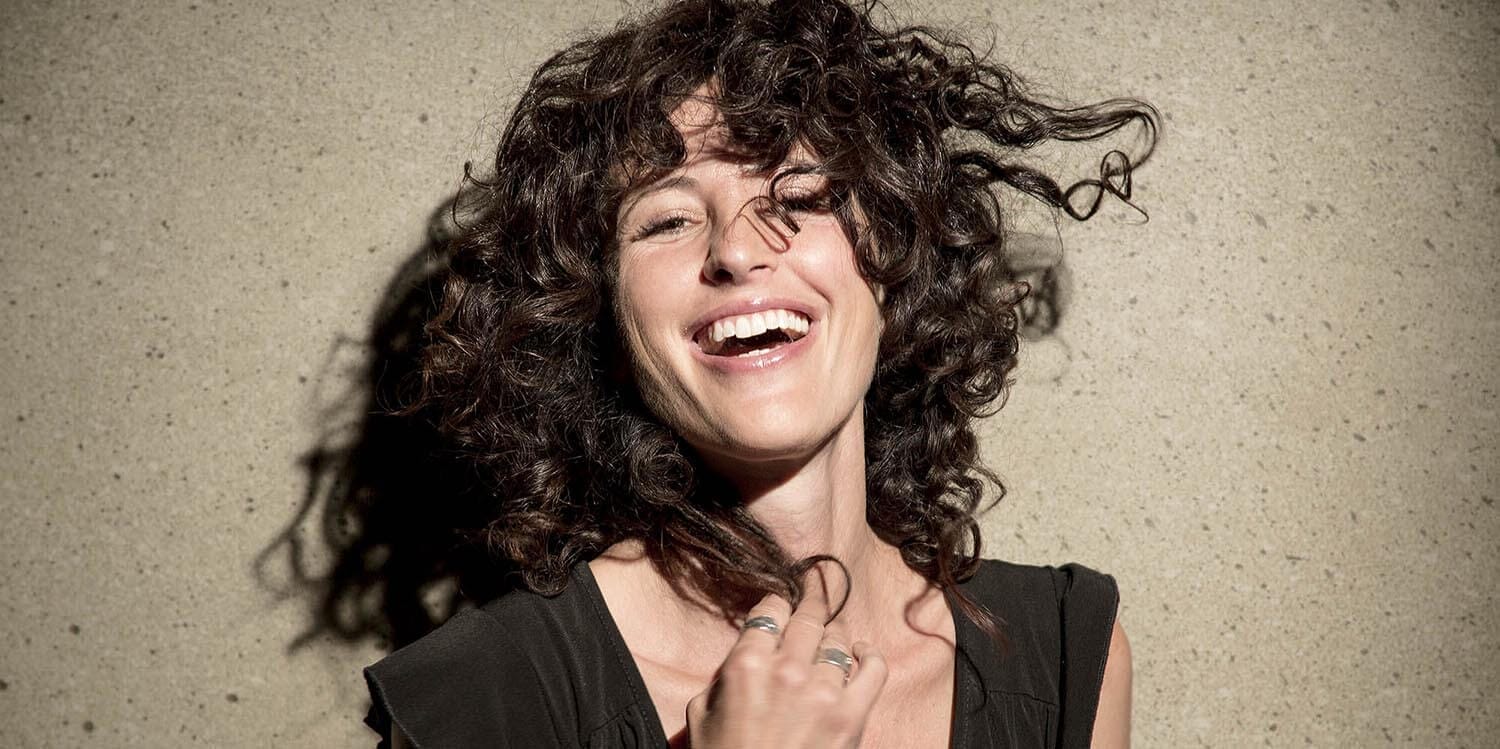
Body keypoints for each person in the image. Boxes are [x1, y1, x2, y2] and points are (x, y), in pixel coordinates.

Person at [362, 0, 1157, 746]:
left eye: (798, 195)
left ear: (892, 263)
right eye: (667, 219)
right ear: (602, 321)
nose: (737, 251)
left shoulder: (1065, 655)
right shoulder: (481, 697)